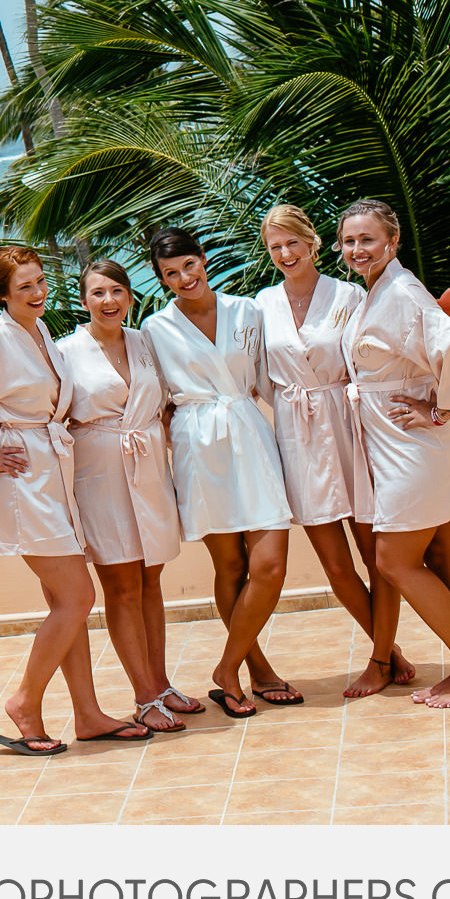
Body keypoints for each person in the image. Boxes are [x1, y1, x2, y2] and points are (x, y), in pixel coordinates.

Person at [0, 245, 151, 755]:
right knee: (79, 598)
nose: (38, 292)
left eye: (41, 281)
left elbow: (49, 401)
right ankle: (25, 701)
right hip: (23, 482)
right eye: (24, 287)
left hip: (53, 474)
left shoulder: (40, 331)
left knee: (63, 602)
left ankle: (87, 715)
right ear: (1, 294)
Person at [338, 199, 450, 708]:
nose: (357, 249)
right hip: (399, 447)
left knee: (393, 560)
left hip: (411, 449)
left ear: (392, 242)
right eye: (349, 241)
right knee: (445, 556)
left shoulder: (402, 291)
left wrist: (440, 411)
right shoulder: (377, 293)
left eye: (367, 239)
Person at [254, 204, 412, 700]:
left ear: (313, 242)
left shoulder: (348, 294)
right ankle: (389, 651)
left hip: (350, 427)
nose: (285, 254)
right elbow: (257, 376)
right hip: (296, 438)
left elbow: (372, 356)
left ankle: (379, 659)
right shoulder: (261, 306)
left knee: (376, 557)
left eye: (292, 243)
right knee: (337, 566)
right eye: (275, 247)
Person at [143, 226, 298, 719]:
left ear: (203, 258)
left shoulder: (247, 311)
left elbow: (272, 376)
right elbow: (152, 397)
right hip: (198, 447)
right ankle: (256, 668)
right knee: (230, 567)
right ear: (163, 280)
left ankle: (225, 667)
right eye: (171, 274)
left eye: (189, 265)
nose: (184, 278)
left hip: (250, 435)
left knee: (269, 566)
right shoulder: (155, 329)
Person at [57, 260, 196, 732]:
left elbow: (171, 397)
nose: (108, 301)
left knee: (151, 580)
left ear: (130, 296)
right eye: (98, 293)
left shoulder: (144, 343)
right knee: (120, 585)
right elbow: (42, 408)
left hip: (149, 464)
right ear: (83, 301)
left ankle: (161, 684)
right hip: (101, 473)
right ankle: (142, 696)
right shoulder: (65, 352)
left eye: (117, 291)